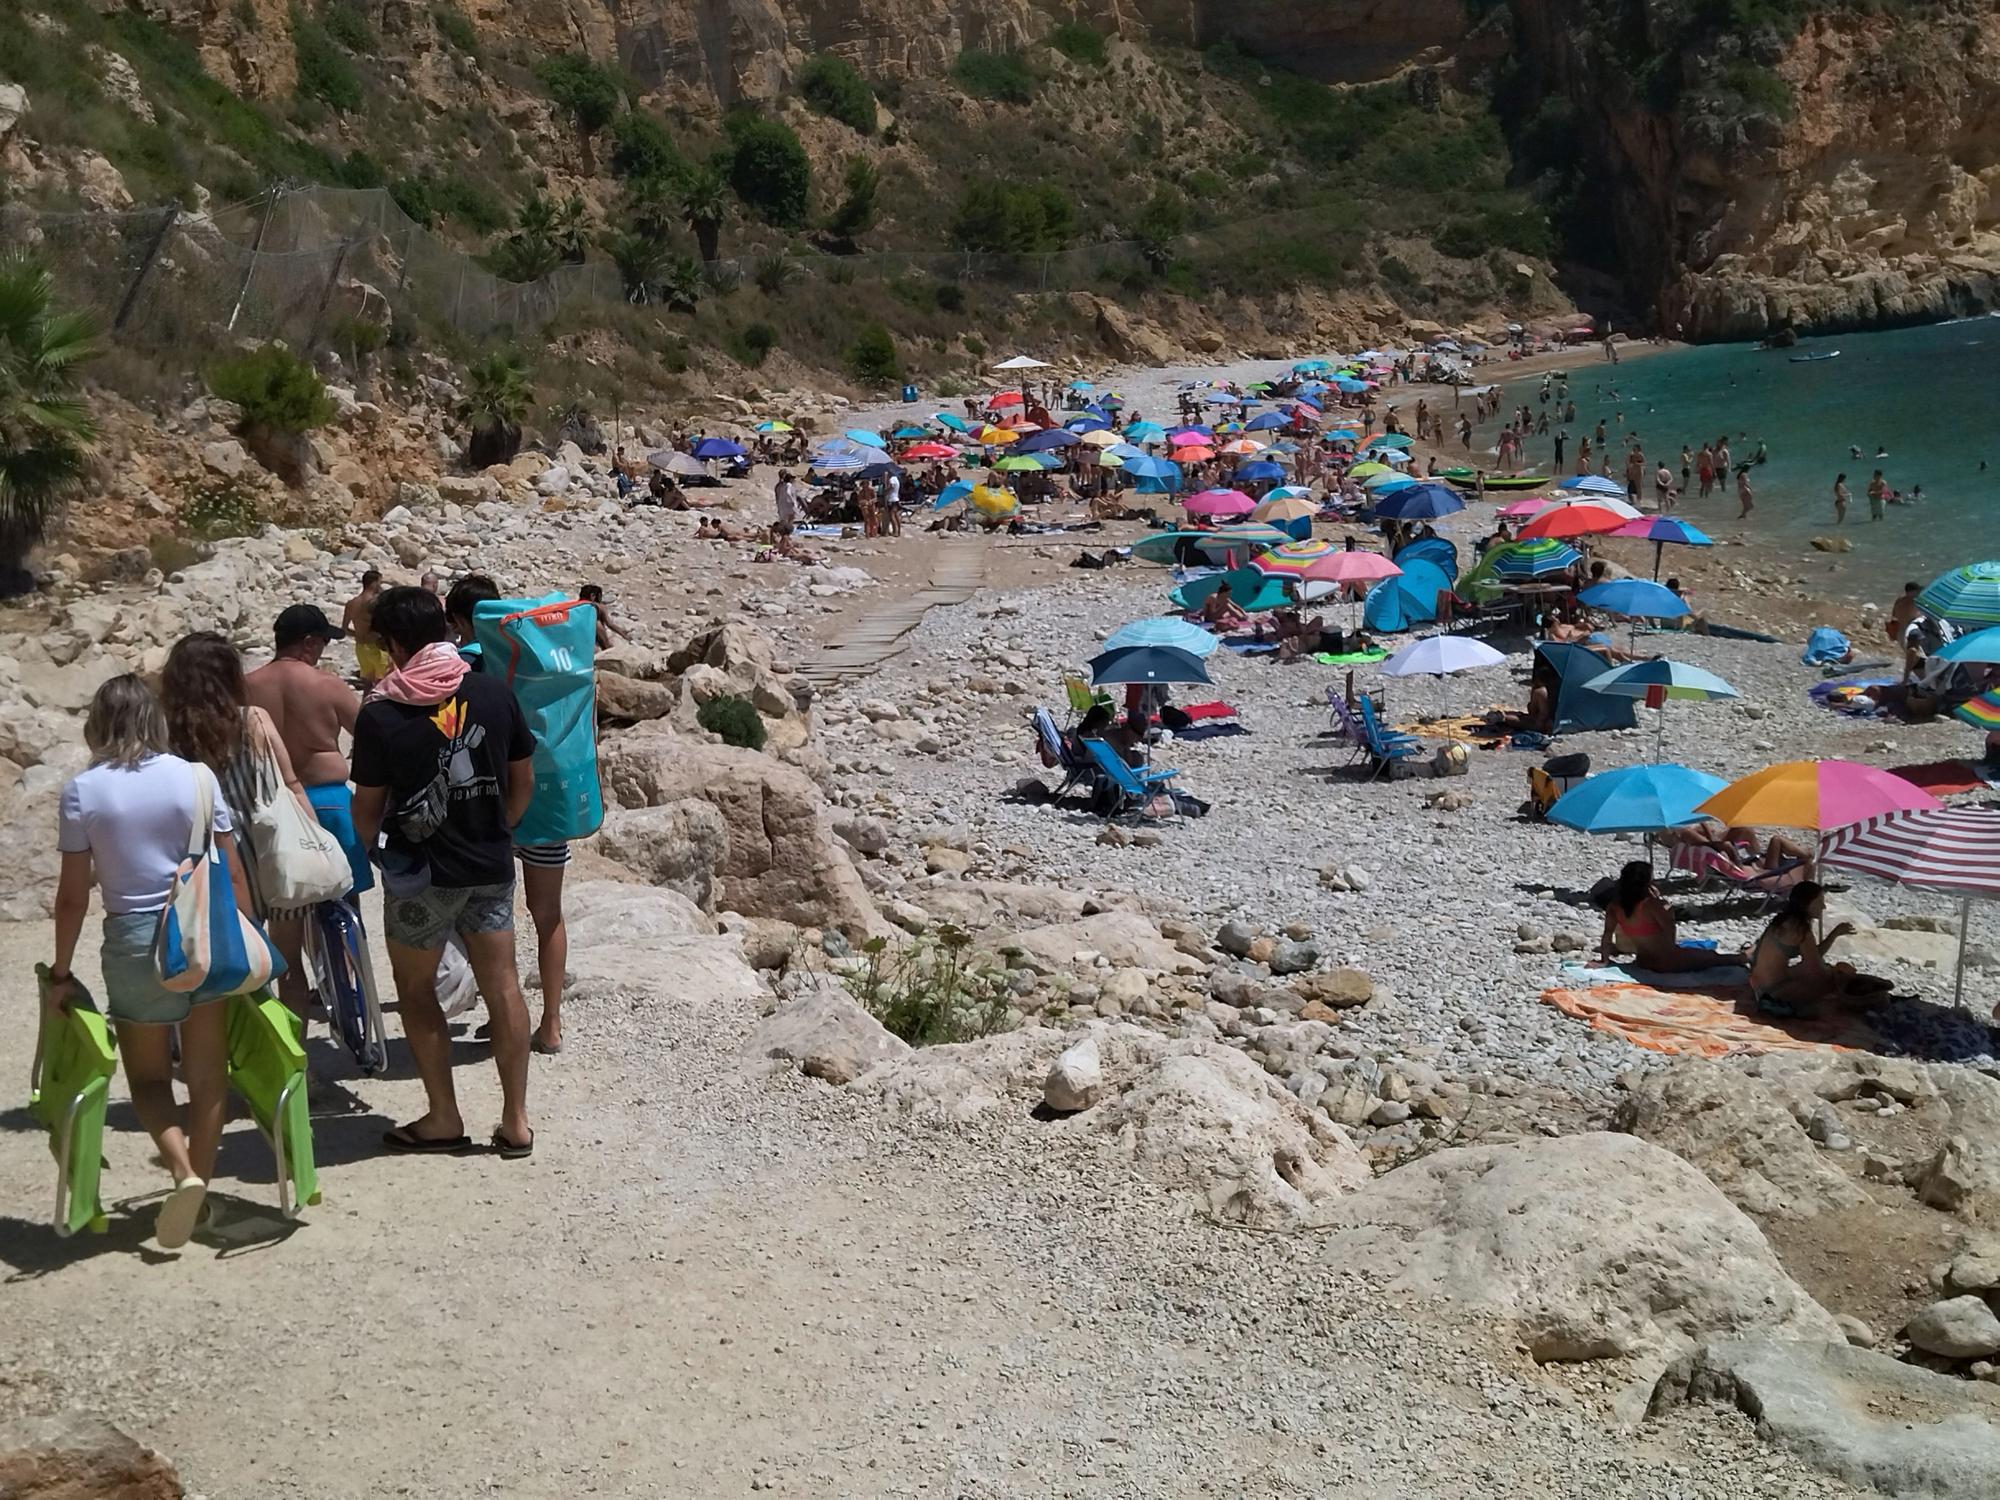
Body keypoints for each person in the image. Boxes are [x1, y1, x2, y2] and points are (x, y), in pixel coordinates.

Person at [50, 676, 250, 1247]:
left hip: (135, 936)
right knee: (210, 1077)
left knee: (148, 1076)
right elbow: (231, 872)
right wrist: (244, 939)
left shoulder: (82, 791)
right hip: (203, 931)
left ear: (98, 724)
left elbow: (72, 896)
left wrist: (61, 972)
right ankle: (201, 1192)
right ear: (155, 721)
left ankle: (182, 1172)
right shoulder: (196, 777)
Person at [351, 587, 537, 1156]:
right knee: (502, 985)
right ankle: (516, 1120)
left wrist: (381, 850)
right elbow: (522, 781)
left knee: (415, 991)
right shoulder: (492, 694)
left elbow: (366, 810)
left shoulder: (382, 714)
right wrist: (493, 829)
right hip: (490, 865)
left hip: (420, 875)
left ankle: (444, 1116)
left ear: (392, 643)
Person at [162, 632, 323, 1018]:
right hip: (273, 848)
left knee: (236, 959)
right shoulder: (253, 720)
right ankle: (293, 1055)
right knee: (289, 964)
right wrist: (316, 836)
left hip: (216, 857)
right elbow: (291, 783)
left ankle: (248, 1052)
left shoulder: (170, 734)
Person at [443, 574, 570, 1056]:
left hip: (486, 804)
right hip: (547, 799)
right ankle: (551, 1024)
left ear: (458, 621)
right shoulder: (535, 656)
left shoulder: (459, 667)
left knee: (489, 915)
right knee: (548, 915)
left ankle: (504, 1018)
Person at [244, 604, 371, 913]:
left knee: (284, 908)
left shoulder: (246, 686)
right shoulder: (327, 684)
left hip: (274, 801)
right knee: (344, 894)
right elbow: (370, 736)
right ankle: (349, 956)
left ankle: (292, 960)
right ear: (310, 642)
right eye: (323, 644)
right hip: (327, 800)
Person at [1748, 882, 1892, 1017]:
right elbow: (1816, 969)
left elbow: (1813, 956)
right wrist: (1837, 977)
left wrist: (1834, 934)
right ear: (1807, 903)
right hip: (1770, 991)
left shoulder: (1783, 920)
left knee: (1820, 971)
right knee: (1829, 982)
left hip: (1757, 982)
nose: (1823, 907)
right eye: (1819, 902)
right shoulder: (1801, 929)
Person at [1598, 860, 1743, 972]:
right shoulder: (1650, 905)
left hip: (1643, 962)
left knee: (1704, 955)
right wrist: (1665, 906)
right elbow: (1670, 936)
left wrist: (1603, 961)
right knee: (1713, 957)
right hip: (1666, 962)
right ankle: (1746, 957)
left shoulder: (1614, 907)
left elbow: (1606, 937)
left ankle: (1746, 956)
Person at [342, 569, 389, 685]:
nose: (380, 586)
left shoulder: (351, 603)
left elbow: (345, 629)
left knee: (368, 685)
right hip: (377, 647)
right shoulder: (375, 603)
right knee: (384, 683)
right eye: (379, 583)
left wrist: (358, 634)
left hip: (360, 647)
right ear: (374, 583)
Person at [577, 582, 623, 651]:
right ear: (593, 596)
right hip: (593, 637)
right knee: (597, 623)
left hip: (578, 635)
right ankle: (606, 647)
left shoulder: (575, 606)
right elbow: (610, 624)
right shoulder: (598, 607)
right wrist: (625, 635)